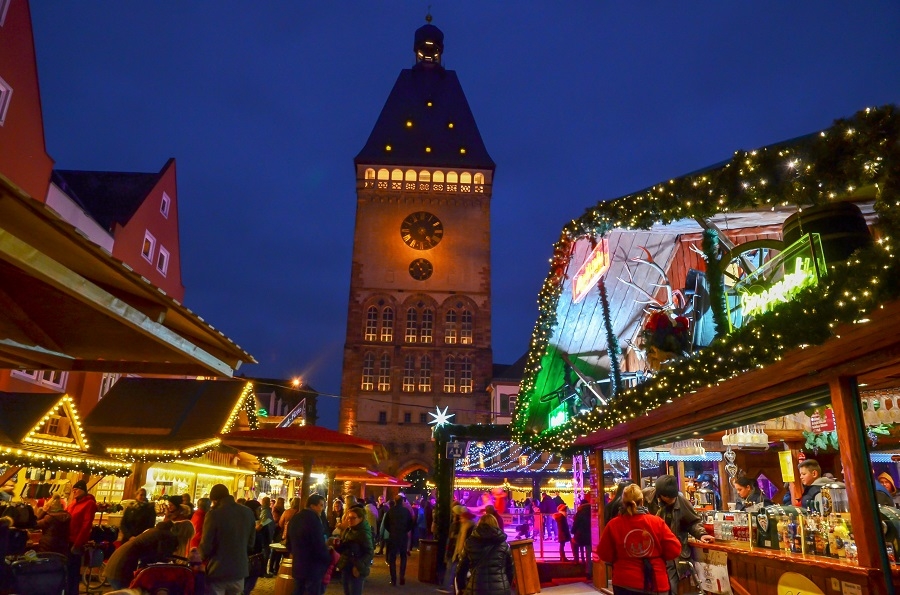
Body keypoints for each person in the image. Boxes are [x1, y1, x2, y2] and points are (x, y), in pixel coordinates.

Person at [598, 484, 683, 595]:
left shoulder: (613, 524)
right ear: (642, 501)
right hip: (655, 581)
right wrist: (657, 555)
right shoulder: (656, 522)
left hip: (624, 581)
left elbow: (604, 554)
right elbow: (674, 549)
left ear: (622, 501)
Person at [644, 475, 713, 595]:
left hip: (672, 553)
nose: (672, 500)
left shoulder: (680, 501)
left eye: (673, 496)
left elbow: (693, 522)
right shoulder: (646, 498)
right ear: (660, 494)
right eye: (668, 497)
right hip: (651, 551)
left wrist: (701, 534)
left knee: (671, 587)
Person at [199, 483, 256, 595]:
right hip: (239, 570)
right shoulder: (248, 512)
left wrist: (199, 559)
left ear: (215, 500)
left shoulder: (213, 514)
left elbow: (206, 545)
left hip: (218, 570)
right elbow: (251, 544)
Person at [105, 520, 179, 590]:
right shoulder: (166, 535)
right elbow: (161, 557)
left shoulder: (153, 532)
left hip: (115, 567)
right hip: (122, 571)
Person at [287, 493, 333, 595]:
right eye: (321, 505)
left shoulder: (296, 517)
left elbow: (288, 542)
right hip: (313, 566)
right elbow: (318, 544)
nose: (323, 508)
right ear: (312, 506)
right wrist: (327, 558)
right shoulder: (314, 520)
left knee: (298, 590)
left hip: (299, 564)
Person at [457, 513, 513, 595]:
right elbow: (510, 570)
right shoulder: (503, 545)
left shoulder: (470, 543)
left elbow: (462, 568)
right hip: (500, 589)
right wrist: (505, 585)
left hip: (476, 588)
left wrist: (461, 587)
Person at [66, 479, 98, 595]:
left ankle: (73, 592)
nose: (74, 491)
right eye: (73, 489)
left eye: (77, 489)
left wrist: (78, 543)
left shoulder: (89, 504)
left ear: (83, 490)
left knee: (73, 570)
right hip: (67, 540)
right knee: (67, 570)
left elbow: (86, 524)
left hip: (76, 541)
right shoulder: (73, 503)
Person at [335, 506, 374, 595]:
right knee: (347, 591)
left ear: (360, 518)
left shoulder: (363, 533)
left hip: (355, 568)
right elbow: (345, 548)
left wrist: (359, 566)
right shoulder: (348, 530)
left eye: (353, 518)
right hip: (346, 566)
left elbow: (370, 552)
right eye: (349, 518)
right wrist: (338, 545)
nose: (350, 520)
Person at [438, 505, 475, 594]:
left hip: (460, 551)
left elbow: (462, 540)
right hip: (458, 550)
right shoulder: (465, 526)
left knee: (454, 569)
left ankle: (450, 587)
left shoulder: (466, 526)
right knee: (454, 569)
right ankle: (452, 586)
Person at [385, 494, 414, 586]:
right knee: (403, 557)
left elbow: (386, 524)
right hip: (403, 536)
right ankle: (402, 576)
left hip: (393, 536)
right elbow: (411, 524)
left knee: (392, 558)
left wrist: (392, 531)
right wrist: (405, 530)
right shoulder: (406, 511)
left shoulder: (390, 511)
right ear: (402, 502)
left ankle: (393, 579)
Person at [572, 494, 592, 572]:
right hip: (590, 537)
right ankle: (589, 570)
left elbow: (575, 524)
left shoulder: (579, 513)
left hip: (580, 537)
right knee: (588, 553)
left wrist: (573, 531)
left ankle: (577, 560)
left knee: (573, 543)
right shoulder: (592, 512)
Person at [258, 496, 276, 577]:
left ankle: (263, 571)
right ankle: (263, 571)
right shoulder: (266, 512)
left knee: (266, 554)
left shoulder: (265, 511)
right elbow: (263, 523)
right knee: (265, 554)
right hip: (266, 536)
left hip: (266, 535)